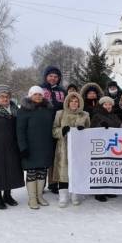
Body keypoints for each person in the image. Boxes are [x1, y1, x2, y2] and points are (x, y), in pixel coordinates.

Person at [16, 86, 55, 210]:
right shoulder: (24, 110)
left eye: (40, 94)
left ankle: (39, 196)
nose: (38, 97)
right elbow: (20, 131)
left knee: (42, 172)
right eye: (35, 94)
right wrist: (23, 147)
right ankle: (32, 198)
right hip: (30, 148)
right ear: (30, 96)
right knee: (32, 172)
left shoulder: (48, 109)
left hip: (45, 147)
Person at [53, 92, 91, 207]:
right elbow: (54, 130)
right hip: (63, 148)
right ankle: (63, 196)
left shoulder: (85, 115)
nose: (74, 103)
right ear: (67, 102)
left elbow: (89, 132)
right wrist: (61, 131)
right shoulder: (60, 114)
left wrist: (83, 130)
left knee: (77, 171)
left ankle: (75, 194)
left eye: (76, 101)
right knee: (63, 172)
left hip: (79, 150)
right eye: (71, 101)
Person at [40, 66, 67, 194]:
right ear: (46, 76)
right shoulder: (40, 89)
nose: (53, 78)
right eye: (50, 76)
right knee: (44, 155)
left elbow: (66, 107)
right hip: (43, 126)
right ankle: (41, 183)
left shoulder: (62, 90)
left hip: (57, 125)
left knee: (55, 155)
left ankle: (52, 182)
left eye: (56, 76)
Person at [90, 96, 122, 202]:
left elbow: (120, 127)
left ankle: (108, 189)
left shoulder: (114, 116)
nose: (108, 106)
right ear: (102, 105)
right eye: (105, 104)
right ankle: (99, 192)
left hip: (113, 145)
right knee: (101, 168)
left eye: (110, 104)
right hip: (101, 146)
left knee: (111, 169)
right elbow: (92, 129)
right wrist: (101, 125)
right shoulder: (97, 116)